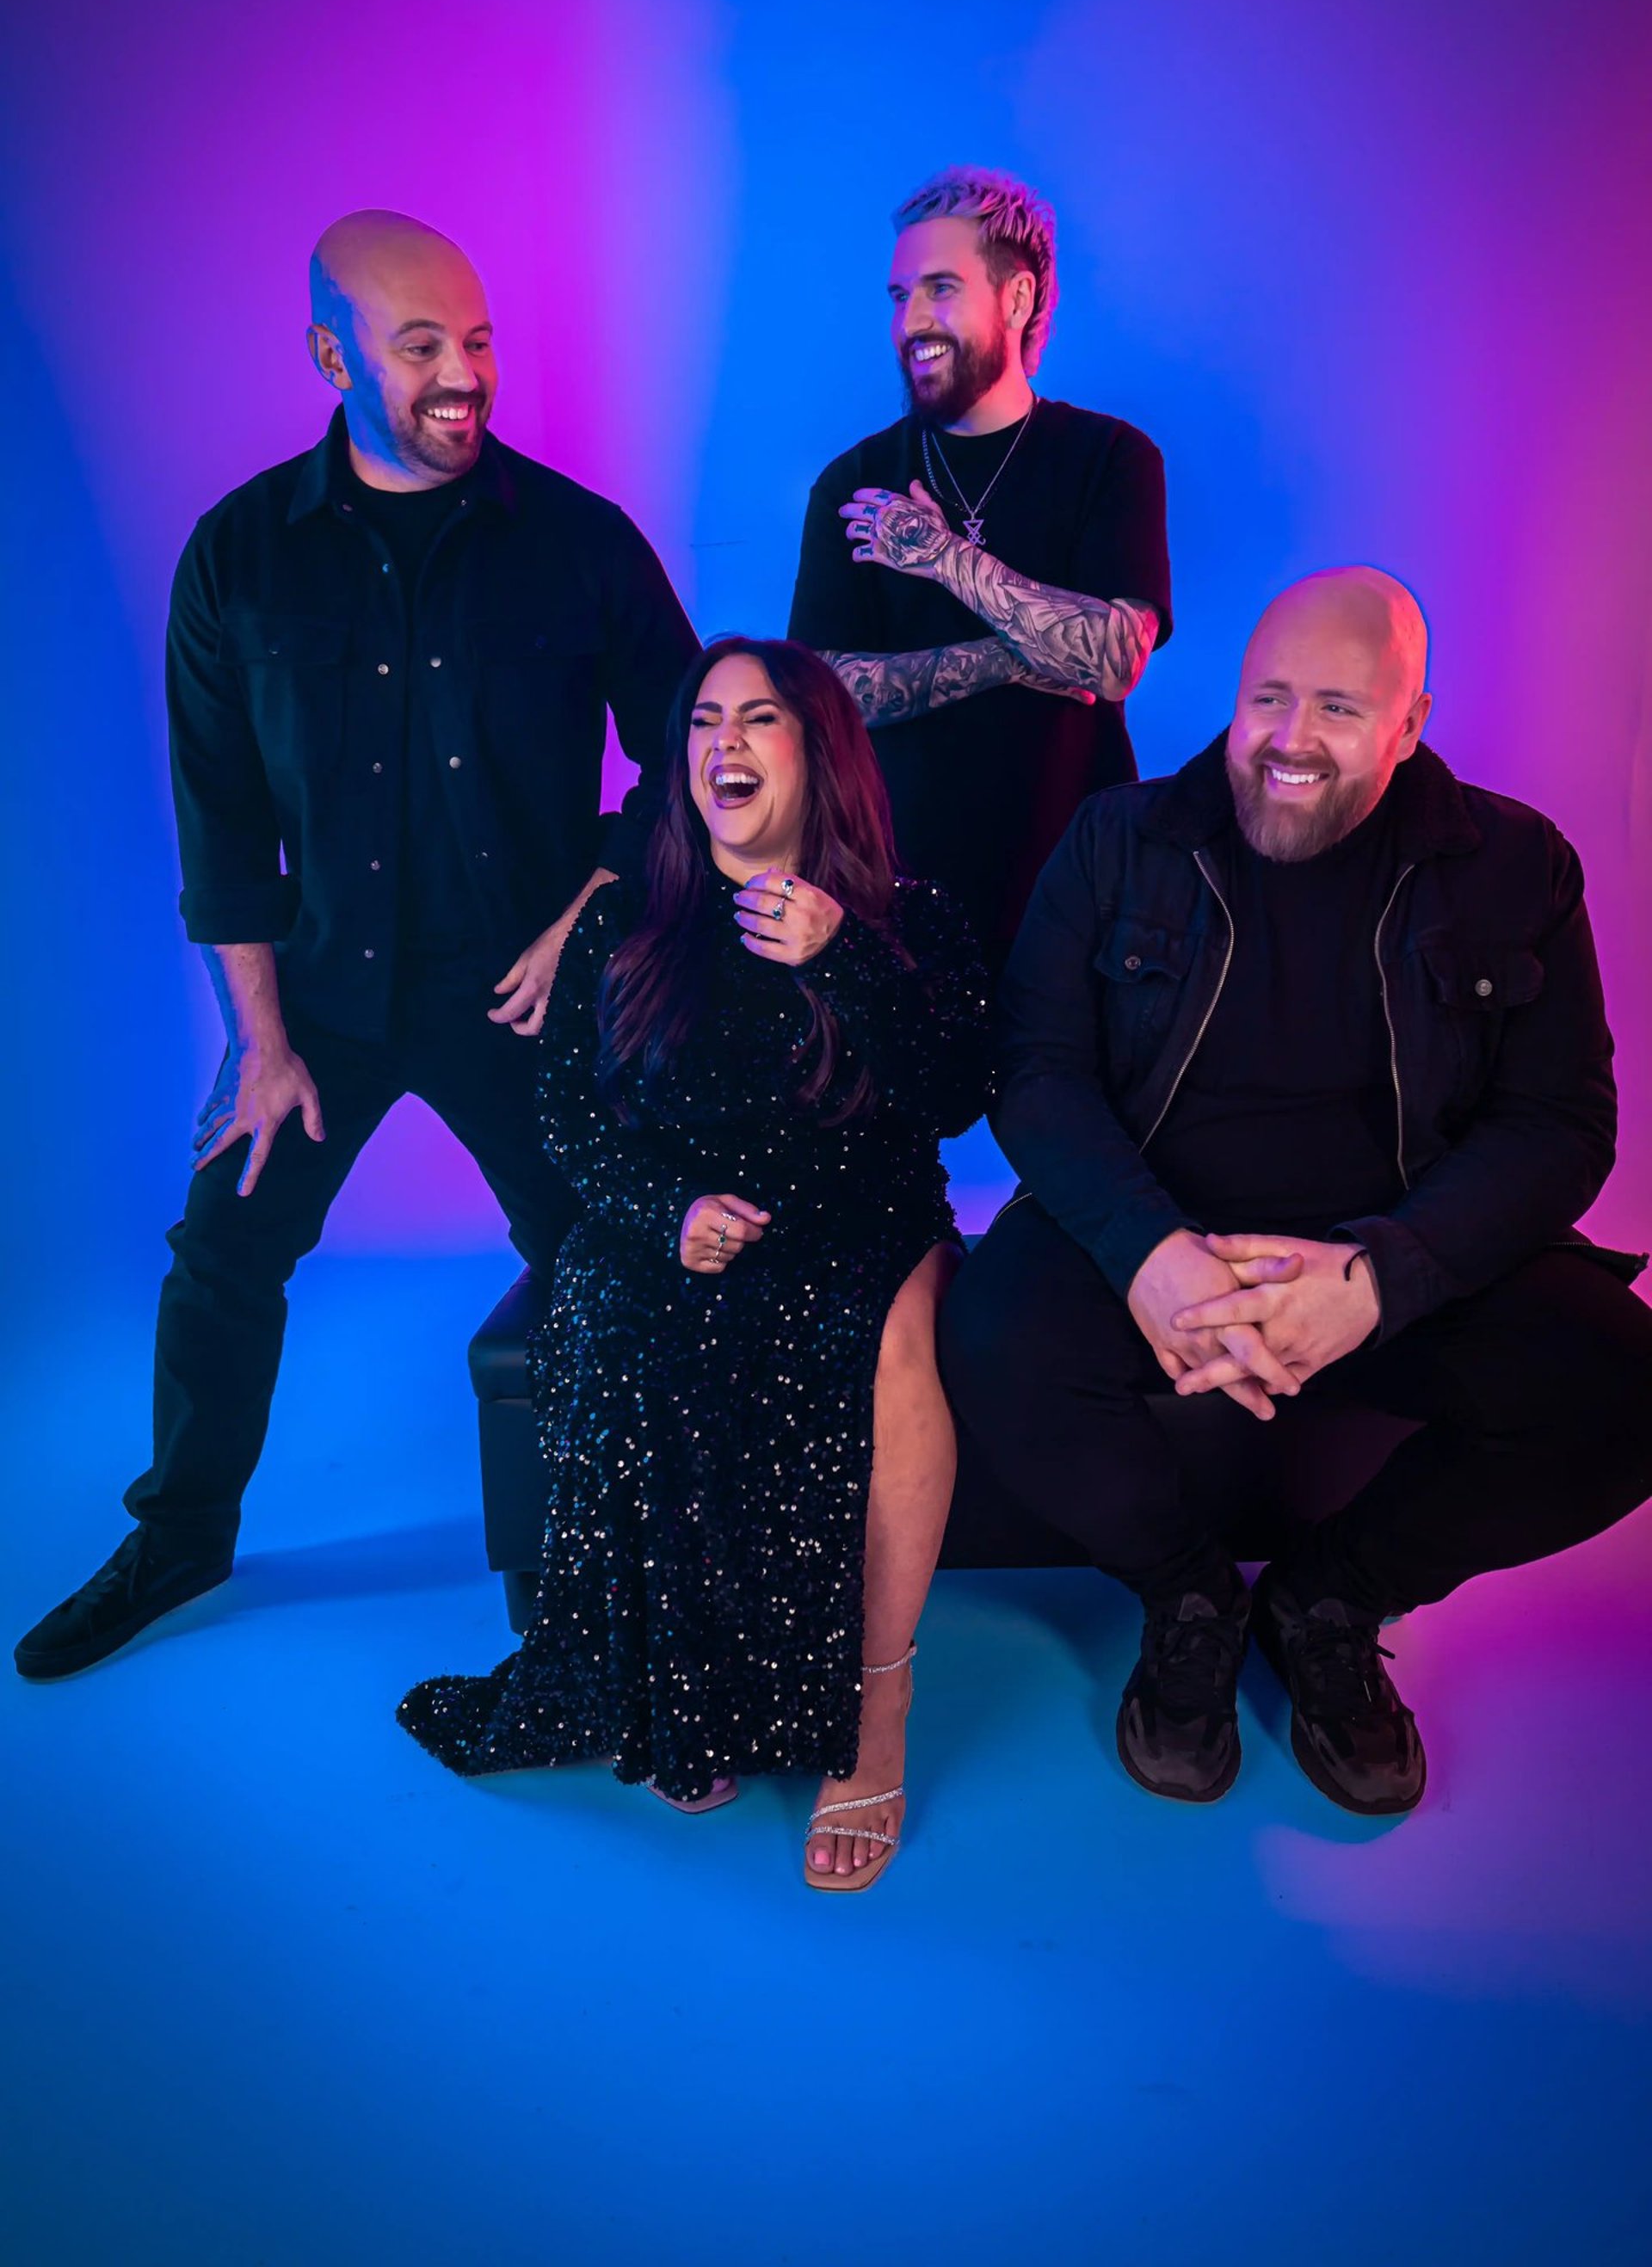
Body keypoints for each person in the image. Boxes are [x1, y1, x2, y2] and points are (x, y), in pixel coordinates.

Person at [15, 211, 699, 1683]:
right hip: (317, 999)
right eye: (422, 347)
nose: (466, 375)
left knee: (596, 1256)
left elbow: (691, 762)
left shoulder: (579, 545)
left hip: (523, 997)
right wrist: (260, 1047)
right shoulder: (242, 559)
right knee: (221, 1254)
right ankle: (183, 1535)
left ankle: (610, 1558)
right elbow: (222, 826)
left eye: (479, 340)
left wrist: (582, 914)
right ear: (333, 356)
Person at [940, 567, 1652, 1817]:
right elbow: (1033, 1070)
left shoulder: (1516, 864)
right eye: (1269, 698)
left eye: (1336, 707)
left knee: (1628, 1390)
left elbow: (1563, 1127)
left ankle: (1330, 1597)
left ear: (1409, 722)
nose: (1289, 739)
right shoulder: (1120, 840)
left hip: (1400, 1260)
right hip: (1156, 1240)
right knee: (993, 1338)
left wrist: (1380, 1280)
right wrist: (1152, 1251)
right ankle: (1189, 1596)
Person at [398, 638, 990, 1890]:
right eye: (704, 721)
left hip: (864, 1217)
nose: (724, 742)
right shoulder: (622, 919)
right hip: (678, 1217)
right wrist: (666, 1212)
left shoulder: (910, 913)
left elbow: (953, 1097)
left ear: (817, 751)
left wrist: (843, 955)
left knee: (882, 1347)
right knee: (618, 1322)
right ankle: (690, 1691)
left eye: (760, 719)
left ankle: (875, 1712)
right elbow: (563, 1115)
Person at [788, 165, 1171, 974]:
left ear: (1019, 299)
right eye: (899, 297)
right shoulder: (852, 484)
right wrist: (1011, 658)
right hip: (896, 902)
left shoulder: (1110, 459)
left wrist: (943, 558)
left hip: (1082, 899)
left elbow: (1112, 661)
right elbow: (822, 691)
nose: (912, 321)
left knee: (1061, 1103)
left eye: (940, 289)